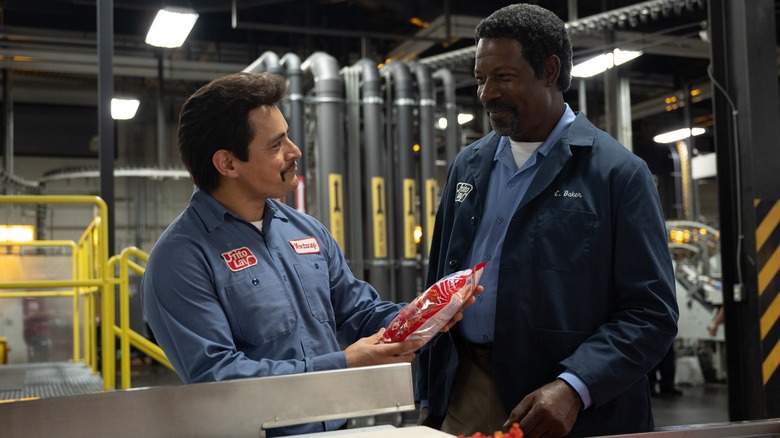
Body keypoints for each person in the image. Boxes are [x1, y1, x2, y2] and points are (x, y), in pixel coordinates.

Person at [140, 72, 475, 437]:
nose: (295, 151)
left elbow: (359, 312)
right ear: (228, 164)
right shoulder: (181, 259)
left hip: (337, 427)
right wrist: (343, 363)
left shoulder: (306, 231)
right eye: (276, 144)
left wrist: (425, 314)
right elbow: (218, 378)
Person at [415, 4, 679, 438]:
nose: (486, 94)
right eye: (481, 79)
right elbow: (439, 282)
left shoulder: (616, 174)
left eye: (503, 78)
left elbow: (651, 313)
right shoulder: (468, 165)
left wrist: (575, 387)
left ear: (550, 71)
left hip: (558, 406)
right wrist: (431, 392)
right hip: (464, 389)